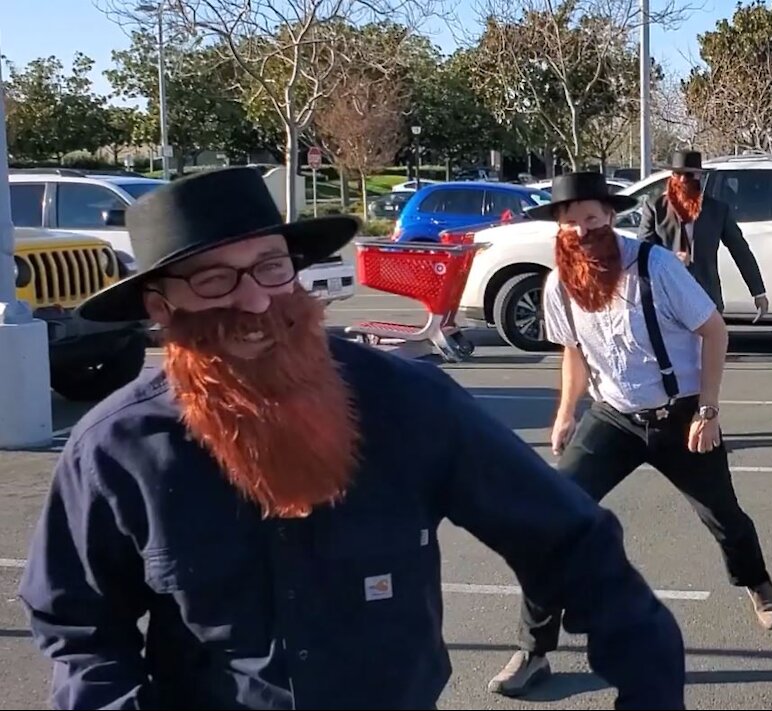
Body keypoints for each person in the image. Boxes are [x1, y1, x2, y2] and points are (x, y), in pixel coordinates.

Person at [17, 167, 686, 711]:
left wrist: (649, 682)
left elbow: (570, 538)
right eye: (214, 280)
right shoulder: (118, 447)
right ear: (163, 309)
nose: (254, 303)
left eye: (271, 268)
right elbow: (79, 626)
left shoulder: (408, 404)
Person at [488, 171, 772, 697]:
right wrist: (566, 412)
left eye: (591, 218)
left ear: (609, 215)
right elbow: (574, 352)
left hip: (681, 414)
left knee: (723, 515)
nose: (583, 230)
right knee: (552, 522)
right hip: (613, 417)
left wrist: (709, 410)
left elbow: (714, 330)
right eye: (571, 221)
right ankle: (534, 650)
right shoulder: (560, 281)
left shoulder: (655, 265)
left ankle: (757, 584)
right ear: (559, 227)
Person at [639, 149, 769, 319]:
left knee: (708, 344)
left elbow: (740, 250)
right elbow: (643, 249)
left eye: (689, 175)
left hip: (705, 297)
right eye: (678, 174)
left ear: (699, 176)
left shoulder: (717, 210)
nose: (683, 180)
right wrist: (669, 258)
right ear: (672, 176)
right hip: (666, 297)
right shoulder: (655, 207)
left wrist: (758, 292)